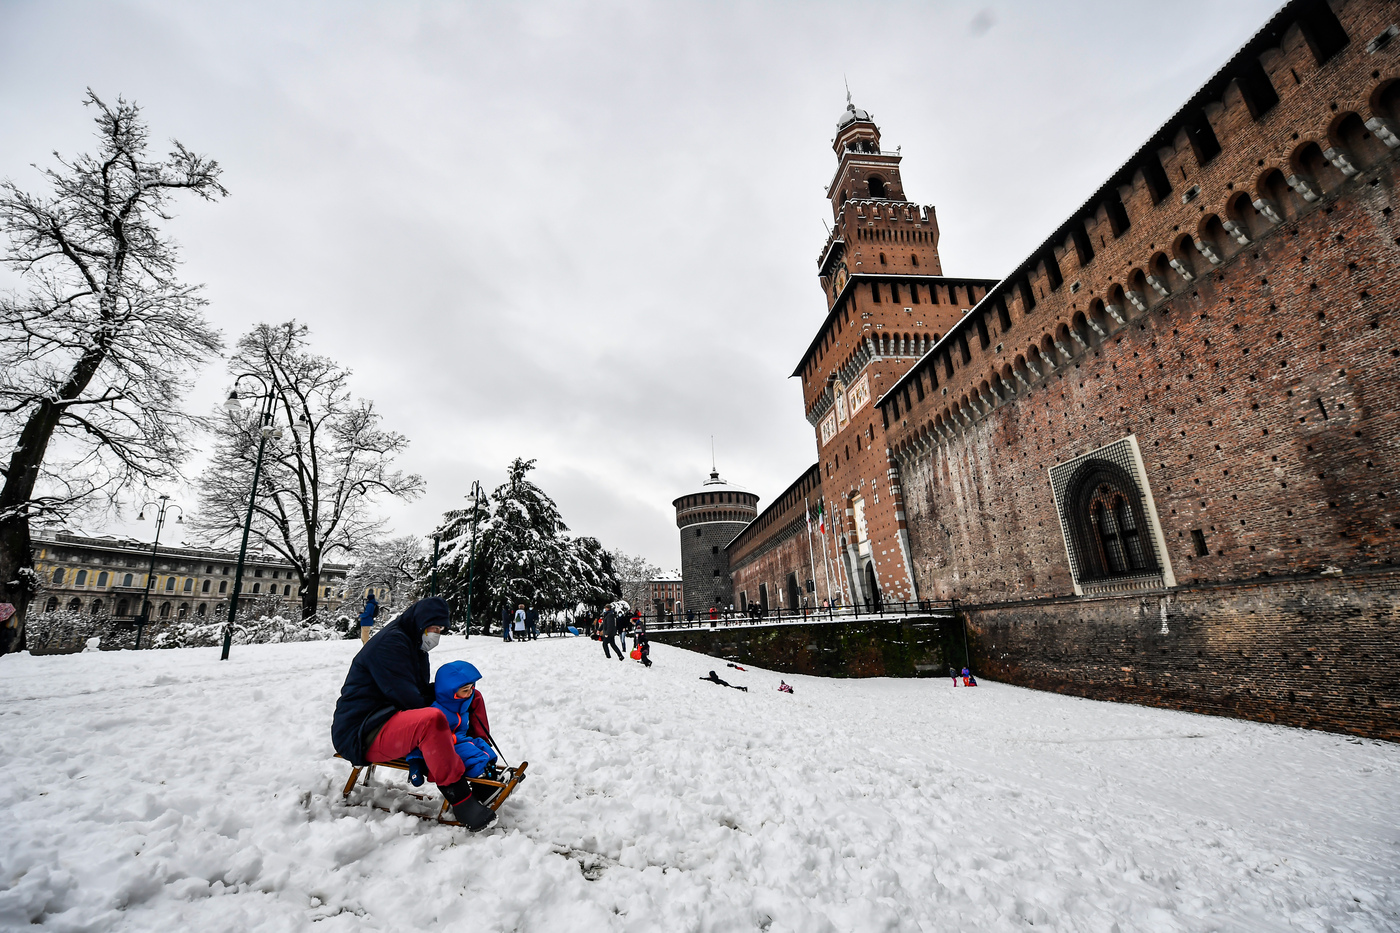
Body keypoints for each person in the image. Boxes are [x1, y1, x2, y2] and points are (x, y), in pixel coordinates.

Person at [331, 597, 496, 832]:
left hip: (389, 717)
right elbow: (408, 698)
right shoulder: (391, 644)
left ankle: (480, 762)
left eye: (441, 630)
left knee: (469, 696)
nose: (437, 635)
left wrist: (455, 691)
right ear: (421, 623)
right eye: (434, 628)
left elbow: (415, 692)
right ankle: (459, 797)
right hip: (363, 730)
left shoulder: (414, 644)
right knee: (432, 720)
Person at [405, 660, 497, 786]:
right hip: (443, 749)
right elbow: (419, 738)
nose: (470, 693)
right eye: (465, 690)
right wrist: (415, 761)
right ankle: (483, 784)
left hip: (460, 742)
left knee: (483, 747)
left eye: (472, 688)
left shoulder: (462, 705)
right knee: (474, 756)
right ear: (450, 692)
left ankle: (491, 773)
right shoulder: (435, 712)